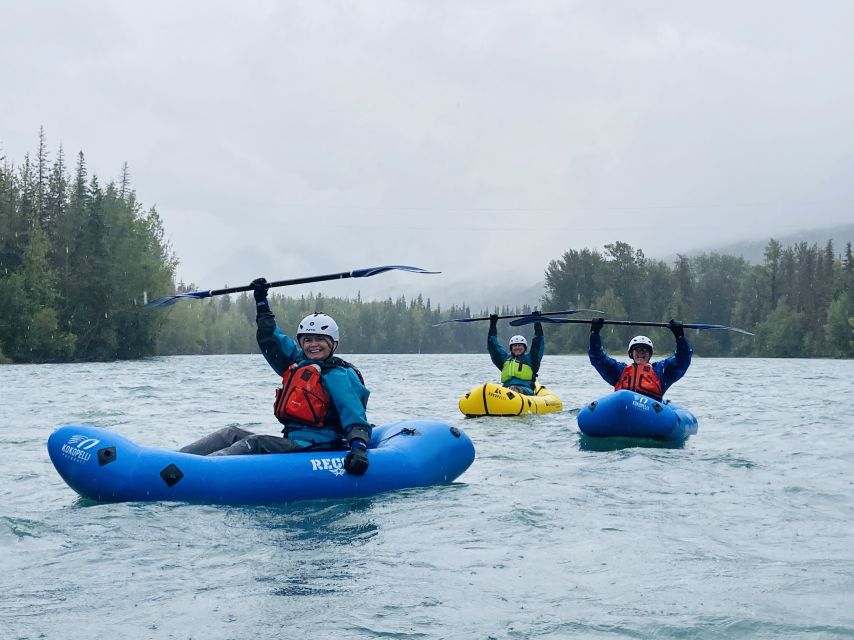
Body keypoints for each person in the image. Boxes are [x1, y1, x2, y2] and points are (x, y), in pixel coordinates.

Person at [179, 277, 372, 475]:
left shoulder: (339, 374)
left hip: (318, 446)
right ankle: (176, 459)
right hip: (295, 442)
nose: (313, 345)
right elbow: (271, 339)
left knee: (256, 443)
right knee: (231, 433)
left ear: (333, 344)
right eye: (308, 340)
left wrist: (358, 448)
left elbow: (354, 414)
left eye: (320, 340)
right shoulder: (299, 364)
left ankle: (193, 473)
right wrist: (261, 301)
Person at [587, 317, 692, 401]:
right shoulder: (619, 370)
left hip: (651, 413)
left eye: (645, 350)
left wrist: (679, 336)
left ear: (649, 355)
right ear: (631, 354)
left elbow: (682, 359)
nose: (641, 353)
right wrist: (594, 333)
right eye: (637, 350)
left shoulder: (661, 370)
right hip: (623, 410)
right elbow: (597, 357)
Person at [487, 312, 544, 395]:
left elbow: (538, 343)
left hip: (526, 390)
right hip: (506, 390)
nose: (517, 348)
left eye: (520, 345)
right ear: (511, 348)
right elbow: (493, 346)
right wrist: (493, 324)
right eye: (515, 346)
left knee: (514, 389)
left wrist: (537, 321)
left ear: (524, 348)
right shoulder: (505, 359)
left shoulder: (531, 358)